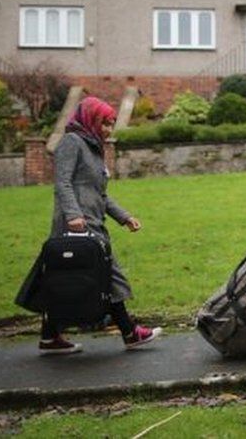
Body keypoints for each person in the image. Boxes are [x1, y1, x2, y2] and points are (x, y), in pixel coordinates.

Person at [37, 96, 161, 354]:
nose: (107, 129)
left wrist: (124, 217)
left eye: (111, 124)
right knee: (105, 273)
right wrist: (73, 215)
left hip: (92, 220)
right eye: (104, 123)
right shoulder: (72, 142)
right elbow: (62, 182)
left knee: (64, 277)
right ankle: (129, 332)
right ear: (90, 119)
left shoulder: (93, 147)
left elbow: (100, 194)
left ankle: (49, 336)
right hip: (76, 224)